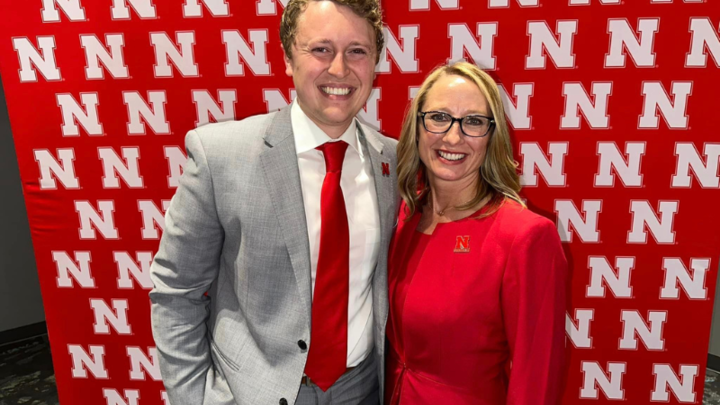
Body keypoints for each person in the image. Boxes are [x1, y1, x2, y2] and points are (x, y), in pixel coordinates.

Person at [149, 1, 397, 404]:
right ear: (287, 58)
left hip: (362, 389)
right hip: (253, 393)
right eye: (320, 49)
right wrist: (194, 398)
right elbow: (176, 291)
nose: (339, 69)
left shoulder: (395, 161)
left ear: (374, 63)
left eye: (357, 51)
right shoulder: (221, 155)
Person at [385, 61, 569, 405]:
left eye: (473, 122)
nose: (453, 137)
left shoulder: (525, 237)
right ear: (418, 127)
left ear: (492, 135)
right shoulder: (402, 216)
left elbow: (536, 382)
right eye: (439, 117)